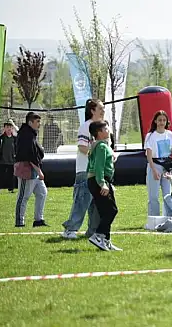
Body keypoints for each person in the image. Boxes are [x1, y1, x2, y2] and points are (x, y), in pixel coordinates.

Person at [62, 99, 103, 239]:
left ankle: (93, 232)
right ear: (92, 110)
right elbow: (82, 147)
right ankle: (70, 230)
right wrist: (98, 155)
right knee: (81, 201)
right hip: (85, 170)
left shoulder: (103, 127)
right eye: (100, 108)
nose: (103, 111)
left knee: (97, 203)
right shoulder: (86, 127)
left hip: (98, 172)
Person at [86, 121, 121, 251]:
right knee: (112, 210)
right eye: (106, 128)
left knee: (105, 212)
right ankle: (98, 235)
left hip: (97, 181)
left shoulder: (99, 146)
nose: (108, 130)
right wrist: (102, 184)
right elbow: (98, 167)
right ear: (99, 132)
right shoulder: (100, 146)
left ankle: (106, 241)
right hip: (99, 181)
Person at [14, 112, 48, 228]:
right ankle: (19, 222)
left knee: (42, 193)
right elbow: (30, 155)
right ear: (30, 122)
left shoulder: (31, 134)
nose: (39, 124)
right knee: (23, 196)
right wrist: (39, 171)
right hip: (26, 169)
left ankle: (38, 220)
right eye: (37, 122)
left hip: (34, 169)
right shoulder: (25, 135)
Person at [145, 111, 172, 217]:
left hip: (166, 166)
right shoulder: (151, 135)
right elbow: (149, 154)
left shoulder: (169, 135)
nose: (161, 122)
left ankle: (168, 217)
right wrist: (154, 170)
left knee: (167, 194)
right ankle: (153, 217)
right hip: (154, 165)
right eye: (159, 120)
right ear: (155, 121)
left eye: (164, 120)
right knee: (153, 195)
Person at [0, 122, 17, 193]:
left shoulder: (15, 139)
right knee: (0, 175)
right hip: (3, 161)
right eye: (7, 127)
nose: (9, 129)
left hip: (12, 161)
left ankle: (11, 189)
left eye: (10, 127)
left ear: (12, 128)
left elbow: (17, 149)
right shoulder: (1, 138)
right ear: (4, 128)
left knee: (11, 175)